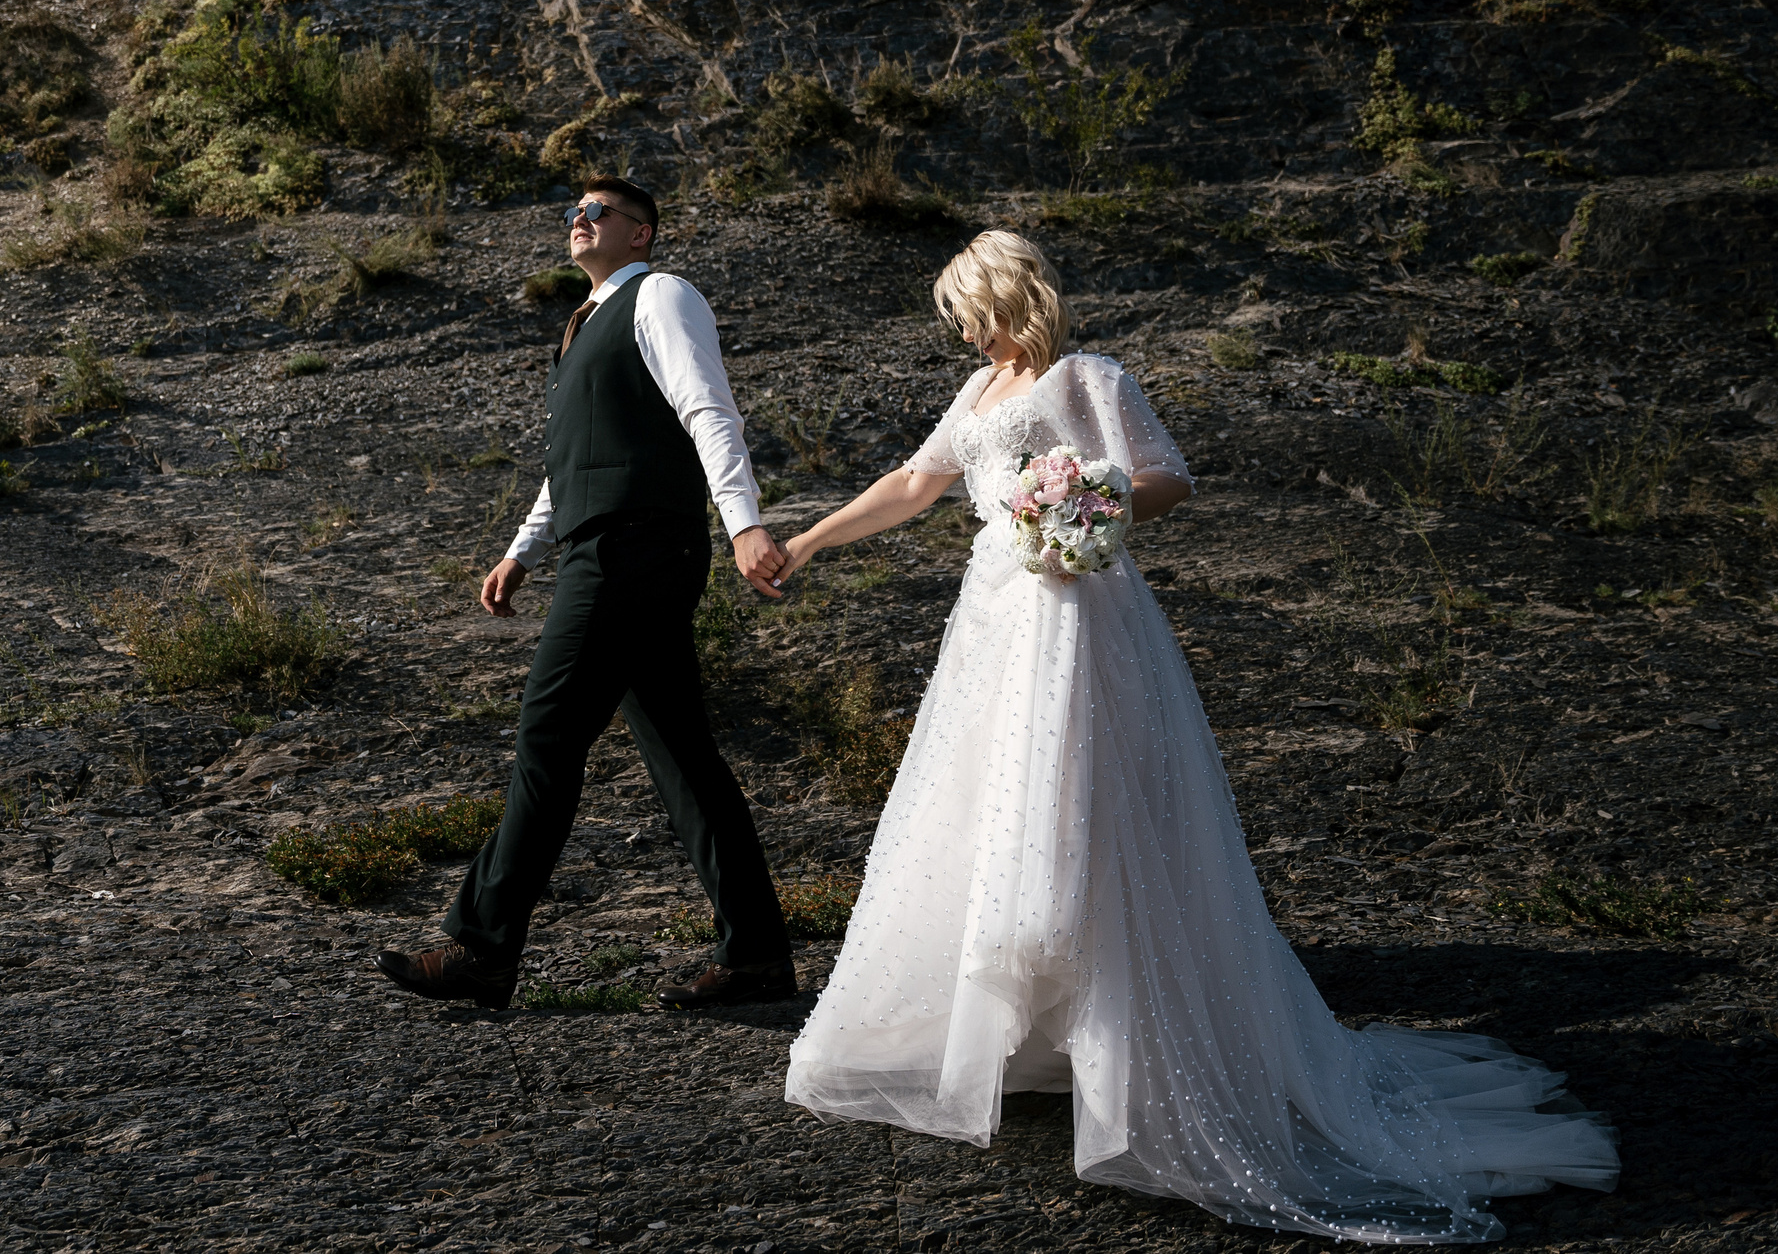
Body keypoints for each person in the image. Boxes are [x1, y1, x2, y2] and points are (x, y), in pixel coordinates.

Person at [773, 229, 1618, 1243]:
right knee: (992, 804)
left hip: (1076, 608)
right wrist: (812, 538)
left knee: (1083, 803)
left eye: (965, 304)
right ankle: (1031, 1029)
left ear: (1005, 295)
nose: (957, 324)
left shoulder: (1086, 374)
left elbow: (1163, 476)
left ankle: (1121, 1042)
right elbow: (916, 487)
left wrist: (1083, 503)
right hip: (996, 615)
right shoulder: (976, 390)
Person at [377, 176, 796, 1012]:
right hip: (607, 548)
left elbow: (709, 408)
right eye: (571, 210)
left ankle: (484, 948)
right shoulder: (580, 330)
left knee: (547, 732)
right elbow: (571, 460)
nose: (578, 219)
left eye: (596, 211)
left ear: (641, 234)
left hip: (634, 548)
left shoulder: (662, 296)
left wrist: (745, 523)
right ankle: (756, 958)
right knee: (684, 758)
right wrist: (522, 550)